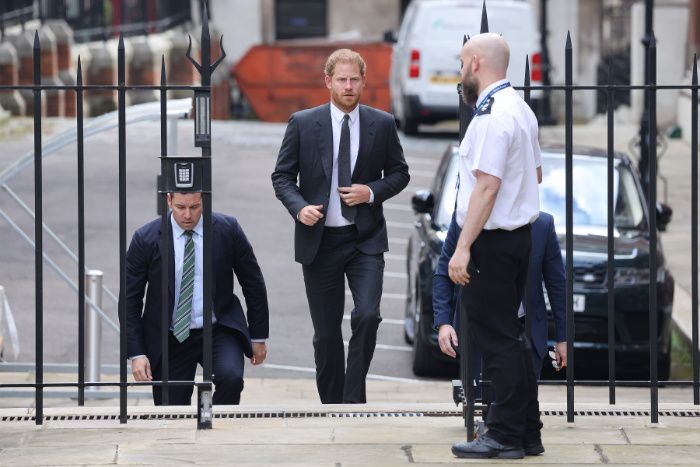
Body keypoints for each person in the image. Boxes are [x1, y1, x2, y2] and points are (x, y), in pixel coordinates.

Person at [271, 49, 410, 404]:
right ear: (328, 81)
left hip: (364, 240)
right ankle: (332, 405)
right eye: (342, 80)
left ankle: (352, 399)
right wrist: (299, 208)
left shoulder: (382, 123)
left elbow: (400, 174)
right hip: (320, 242)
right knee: (326, 334)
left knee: (367, 314)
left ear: (364, 81)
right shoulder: (303, 123)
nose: (348, 86)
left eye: (355, 79)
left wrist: (371, 191)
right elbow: (283, 177)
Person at [446, 33, 543, 459]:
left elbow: (486, 187)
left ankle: (502, 433)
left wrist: (463, 246)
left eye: (462, 63)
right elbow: (534, 175)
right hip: (517, 238)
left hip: (492, 242)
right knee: (513, 335)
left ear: (477, 64)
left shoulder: (490, 117)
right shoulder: (520, 109)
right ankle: (526, 430)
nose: (460, 72)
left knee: (498, 338)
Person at [124, 192, 269, 405]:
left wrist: (258, 336)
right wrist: (136, 353)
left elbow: (253, 282)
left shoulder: (227, 229)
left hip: (219, 329)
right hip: (171, 336)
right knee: (171, 409)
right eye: (181, 207)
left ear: (204, 202)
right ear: (169, 200)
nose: (188, 215)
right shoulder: (145, 238)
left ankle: (214, 422)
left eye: (195, 207)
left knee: (231, 378)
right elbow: (130, 299)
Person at [434, 211, 567, 379]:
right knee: (482, 401)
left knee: (523, 403)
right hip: (478, 331)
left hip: (526, 331)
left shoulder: (543, 224)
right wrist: (443, 322)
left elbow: (557, 284)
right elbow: (444, 272)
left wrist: (564, 337)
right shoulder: (466, 218)